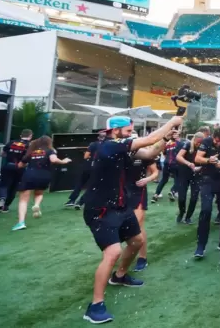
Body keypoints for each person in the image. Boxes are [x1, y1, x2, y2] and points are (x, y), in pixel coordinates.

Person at [82, 114, 182, 324]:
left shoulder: (121, 149)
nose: (131, 135)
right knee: (113, 251)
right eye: (127, 131)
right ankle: (95, 306)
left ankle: (119, 276)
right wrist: (171, 122)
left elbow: (151, 151)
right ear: (115, 131)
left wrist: (166, 139)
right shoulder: (108, 146)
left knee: (137, 241)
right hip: (100, 209)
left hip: (120, 205)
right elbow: (147, 140)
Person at [193, 127, 220, 259]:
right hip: (208, 179)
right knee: (206, 211)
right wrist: (209, 160)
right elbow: (197, 158)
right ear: (213, 137)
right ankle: (201, 246)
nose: (219, 143)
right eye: (217, 141)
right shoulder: (206, 141)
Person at [11, 136, 71, 230]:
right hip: (44, 175)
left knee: (23, 199)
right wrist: (63, 161)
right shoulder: (50, 151)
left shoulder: (31, 151)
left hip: (30, 174)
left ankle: (21, 222)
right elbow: (53, 160)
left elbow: (20, 165)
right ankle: (36, 205)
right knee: (39, 193)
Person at [128, 135, 164, 272]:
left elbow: (155, 173)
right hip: (122, 191)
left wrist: (147, 179)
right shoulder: (121, 153)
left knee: (138, 224)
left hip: (138, 190)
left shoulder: (144, 154)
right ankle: (127, 253)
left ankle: (142, 257)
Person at [66, 132, 106, 210]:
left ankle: (72, 200)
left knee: (80, 183)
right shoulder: (107, 145)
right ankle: (81, 202)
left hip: (87, 167)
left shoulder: (93, 144)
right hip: (98, 168)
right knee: (92, 187)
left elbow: (86, 156)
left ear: (98, 137)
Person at [0, 129, 32, 213]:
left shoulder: (11, 142)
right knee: (14, 187)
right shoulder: (29, 146)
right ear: (30, 136)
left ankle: (2, 199)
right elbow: (28, 158)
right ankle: (5, 206)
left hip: (8, 166)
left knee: (4, 185)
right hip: (20, 168)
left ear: (21, 135)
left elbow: (2, 154)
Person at [176, 132, 204, 224]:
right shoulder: (188, 144)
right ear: (194, 139)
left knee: (194, 198)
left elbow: (206, 160)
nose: (198, 144)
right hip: (184, 173)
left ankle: (188, 217)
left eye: (200, 143)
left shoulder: (203, 147)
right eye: (197, 142)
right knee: (181, 197)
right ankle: (181, 212)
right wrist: (188, 163)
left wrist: (201, 167)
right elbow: (178, 156)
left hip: (197, 175)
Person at [152, 130, 182, 203]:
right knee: (178, 179)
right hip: (176, 164)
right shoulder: (180, 144)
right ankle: (173, 191)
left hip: (166, 163)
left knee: (164, 180)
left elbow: (164, 153)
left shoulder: (167, 144)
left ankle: (156, 195)